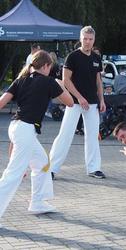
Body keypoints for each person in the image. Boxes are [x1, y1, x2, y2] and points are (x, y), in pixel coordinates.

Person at [0, 50, 73, 220]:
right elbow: (69, 102)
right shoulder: (49, 82)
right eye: (50, 67)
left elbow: (2, 102)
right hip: (25, 130)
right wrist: (61, 84)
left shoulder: (21, 79)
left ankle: (37, 202)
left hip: (17, 127)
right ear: (46, 66)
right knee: (12, 175)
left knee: (42, 163)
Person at [49, 26, 106, 180]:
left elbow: (98, 81)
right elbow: (66, 80)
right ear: (80, 39)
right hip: (74, 103)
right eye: (85, 39)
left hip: (93, 103)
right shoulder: (72, 57)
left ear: (94, 40)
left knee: (93, 136)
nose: (87, 42)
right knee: (65, 135)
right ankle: (51, 169)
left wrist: (102, 100)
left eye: (90, 39)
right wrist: (79, 97)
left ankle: (94, 168)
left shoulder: (96, 58)